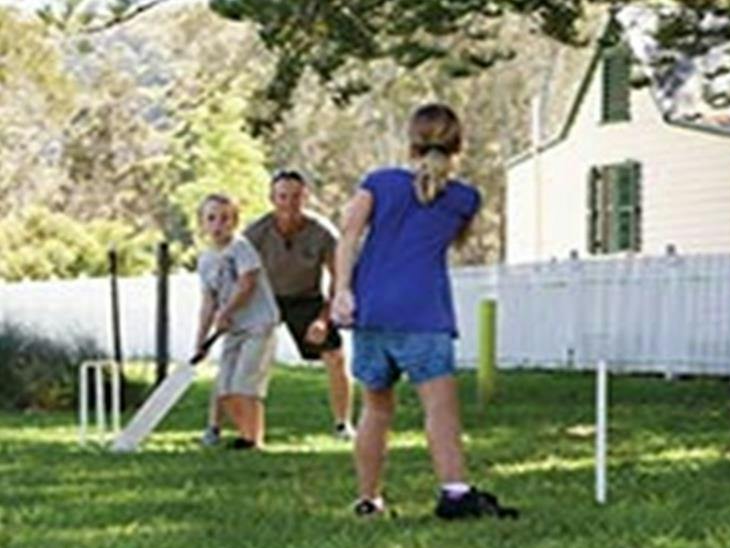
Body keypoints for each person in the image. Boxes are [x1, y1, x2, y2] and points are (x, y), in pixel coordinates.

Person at [331, 103, 516, 520]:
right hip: (423, 313)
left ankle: (368, 500)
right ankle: (454, 493)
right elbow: (455, 239)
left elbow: (348, 233)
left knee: (375, 409)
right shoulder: (465, 199)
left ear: (411, 141)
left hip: (373, 308)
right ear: (458, 145)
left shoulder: (378, 184)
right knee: (439, 409)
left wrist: (342, 291)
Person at [242, 169, 353, 439]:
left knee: (336, 357)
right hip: (265, 298)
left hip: (306, 298)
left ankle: (343, 424)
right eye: (283, 196)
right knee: (242, 359)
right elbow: (239, 275)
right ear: (272, 198)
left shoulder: (322, 232)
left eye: (296, 196)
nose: (289, 203)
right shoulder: (256, 233)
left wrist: (323, 320)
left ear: (305, 197)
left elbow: (339, 281)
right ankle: (221, 427)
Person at [191, 193, 281, 450]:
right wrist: (200, 342)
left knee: (245, 385)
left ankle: (254, 440)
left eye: (225, 218)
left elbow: (247, 283)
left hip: (258, 325)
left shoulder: (241, 248)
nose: (219, 224)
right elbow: (208, 302)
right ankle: (244, 436)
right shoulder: (206, 259)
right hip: (233, 329)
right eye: (212, 218)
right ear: (202, 223)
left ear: (235, 222)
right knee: (225, 388)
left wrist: (227, 311)